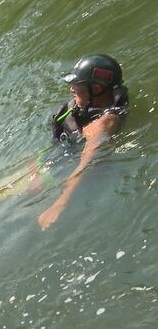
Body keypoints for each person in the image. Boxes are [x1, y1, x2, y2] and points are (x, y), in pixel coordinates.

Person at [37, 54, 128, 229]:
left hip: (62, 168)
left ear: (95, 87)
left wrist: (60, 203)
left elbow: (88, 161)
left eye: (77, 84)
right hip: (53, 159)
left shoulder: (104, 122)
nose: (71, 89)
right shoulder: (84, 109)